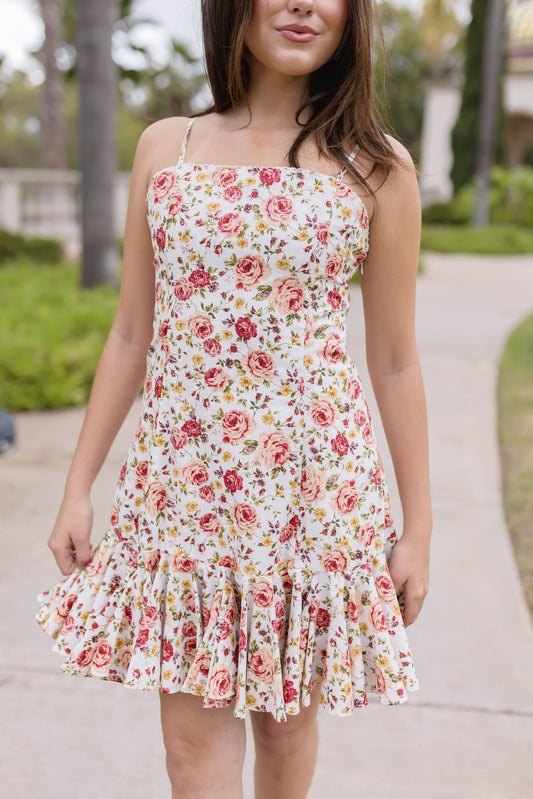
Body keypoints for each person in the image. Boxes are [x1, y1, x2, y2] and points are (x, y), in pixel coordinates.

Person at [36, 1, 432, 797]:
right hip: (183, 489)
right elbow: (129, 334)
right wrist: (77, 487)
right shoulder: (167, 145)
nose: (302, 5)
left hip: (311, 499)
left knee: (286, 727)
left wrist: (416, 528)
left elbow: (392, 361)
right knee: (189, 747)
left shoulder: (375, 164)